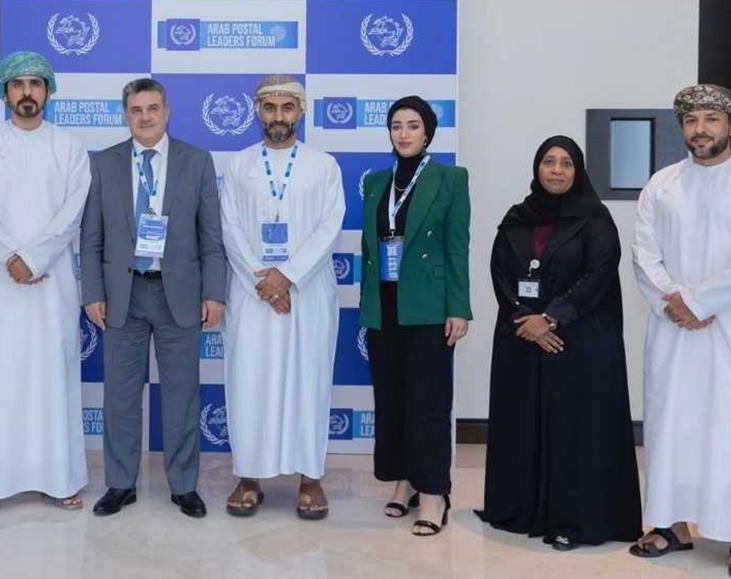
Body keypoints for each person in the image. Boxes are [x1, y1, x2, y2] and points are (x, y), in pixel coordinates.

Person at [630, 84, 731, 579]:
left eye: (711, 119)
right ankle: (671, 526)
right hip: (674, 329)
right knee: (672, 425)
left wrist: (699, 302)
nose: (700, 129)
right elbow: (644, 254)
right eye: (692, 120)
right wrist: (676, 303)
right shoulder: (662, 184)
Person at [475, 136, 642, 550]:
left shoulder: (595, 219)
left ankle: (574, 520)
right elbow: (499, 272)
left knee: (574, 432)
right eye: (549, 162)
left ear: (578, 170)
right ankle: (517, 510)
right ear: (537, 168)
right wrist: (523, 317)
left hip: (578, 342)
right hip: (521, 339)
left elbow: (599, 273)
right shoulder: (516, 217)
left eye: (567, 163)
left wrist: (550, 318)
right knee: (522, 423)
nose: (557, 170)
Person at [0, 51, 91, 516]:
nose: (27, 92)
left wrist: (34, 257)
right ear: (5, 93)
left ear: (48, 91)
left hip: (51, 283)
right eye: (18, 84)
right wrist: (12, 257)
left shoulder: (68, 145)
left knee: (50, 379)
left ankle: (58, 478)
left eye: (35, 84)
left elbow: (73, 212)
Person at [80, 77, 226, 518]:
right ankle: (120, 484)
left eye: (152, 108)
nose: (144, 117)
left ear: (167, 112)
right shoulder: (103, 163)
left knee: (182, 396)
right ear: (125, 115)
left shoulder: (197, 161)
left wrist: (214, 293)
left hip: (177, 294)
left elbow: (211, 236)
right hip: (121, 295)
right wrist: (92, 292)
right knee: (120, 396)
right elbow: (91, 236)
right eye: (136, 110)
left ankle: (184, 486)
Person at [219, 76, 345, 519]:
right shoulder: (238, 165)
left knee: (308, 382)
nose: (278, 116)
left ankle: (310, 478)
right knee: (249, 381)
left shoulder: (323, 165)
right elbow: (229, 227)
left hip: (307, 295)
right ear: (258, 111)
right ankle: (249, 476)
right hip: (252, 293)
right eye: (269, 107)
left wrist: (288, 277)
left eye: (287, 107)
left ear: (301, 112)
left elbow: (330, 226)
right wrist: (265, 282)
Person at [359, 95, 471, 537]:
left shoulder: (451, 178)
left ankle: (433, 493)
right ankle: (404, 480)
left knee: (428, 402)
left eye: (412, 125)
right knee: (393, 400)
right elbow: (370, 247)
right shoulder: (376, 182)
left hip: (428, 307)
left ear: (427, 133)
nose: (403, 133)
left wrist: (458, 307)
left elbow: (457, 246)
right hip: (384, 307)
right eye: (396, 125)